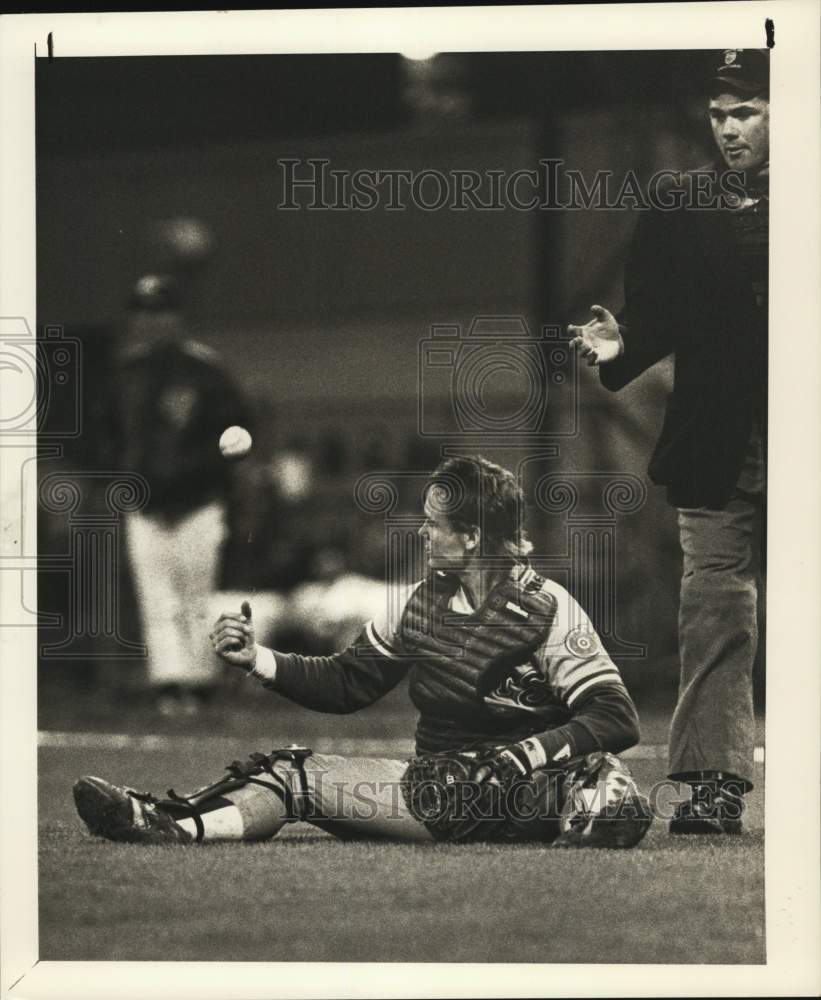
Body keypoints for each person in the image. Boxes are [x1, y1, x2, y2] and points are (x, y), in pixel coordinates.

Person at [73, 455, 652, 848]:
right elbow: (348, 682)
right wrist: (258, 659)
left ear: (472, 536)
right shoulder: (422, 603)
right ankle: (596, 804)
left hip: (459, 796)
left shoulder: (546, 607)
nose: (423, 533)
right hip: (467, 796)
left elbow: (615, 715)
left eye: (434, 524)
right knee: (596, 779)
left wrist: (519, 756)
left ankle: (168, 824)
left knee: (288, 774)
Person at [568, 49, 768, 833]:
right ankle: (713, 786)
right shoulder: (680, 200)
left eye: (745, 112)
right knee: (713, 605)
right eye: (717, 115)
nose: (727, 129)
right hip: (717, 431)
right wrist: (623, 343)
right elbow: (654, 312)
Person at [118, 271, 252, 715]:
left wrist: (204, 480)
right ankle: (168, 685)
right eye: (143, 312)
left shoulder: (205, 370)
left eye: (160, 311)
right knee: (156, 599)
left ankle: (198, 683)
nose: (151, 320)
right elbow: (110, 438)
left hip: (198, 502)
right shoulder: (126, 372)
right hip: (144, 503)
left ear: (177, 317)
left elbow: (238, 431)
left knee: (196, 596)